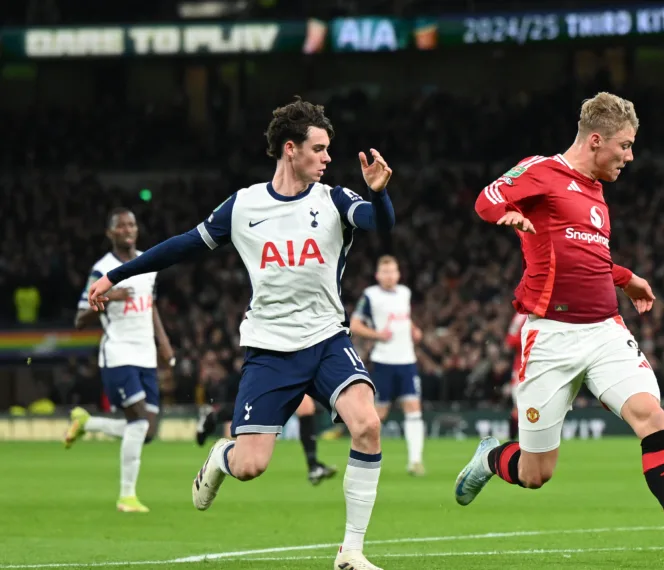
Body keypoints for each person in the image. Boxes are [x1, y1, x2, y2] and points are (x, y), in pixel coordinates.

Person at [86, 98, 396, 570]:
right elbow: (182, 247)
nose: (328, 157)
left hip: (327, 341)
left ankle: (350, 552)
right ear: (290, 149)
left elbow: (382, 227)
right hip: (270, 351)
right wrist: (118, 275)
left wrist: (379, 193)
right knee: (251, 466)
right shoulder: (245, 205)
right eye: (319, 148)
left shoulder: (333, 199)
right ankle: (220, 457)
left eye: (329, 149)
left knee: (368, 425)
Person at [454, 92, 664, 568]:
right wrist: (507, 213)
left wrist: (626, 276)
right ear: (596, 140)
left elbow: (587, 256)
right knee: (536, 473)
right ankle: (492, 459)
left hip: (605, 331)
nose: (630, 156)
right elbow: (486, 198)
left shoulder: (596, 191)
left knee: (650, 416)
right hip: (551, 337)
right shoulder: (540, 169)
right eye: (625, 145)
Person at [65, 208, 175, 514]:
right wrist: (109, 297)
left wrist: (164, 344)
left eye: (132, 224)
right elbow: (79, 320)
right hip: (118, 355)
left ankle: (87, 423)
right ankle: (127, 496)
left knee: (148, 431)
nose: (128, 229)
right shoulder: (102, 270)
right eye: (121, 225)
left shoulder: (148, 262)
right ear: (110, 233)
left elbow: (150, 306)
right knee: (138, 422)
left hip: (145, 355)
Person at [350, 255, 426, 476]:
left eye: (393, 271)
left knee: (413, 409)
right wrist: (377, 335)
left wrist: (414, 328)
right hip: (384, 360)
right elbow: (355, 325)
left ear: (398, 274)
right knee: (378, 414)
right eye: (385, 272)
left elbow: (404, 316)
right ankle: (366, 457)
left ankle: (415, 461)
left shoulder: (404, 292)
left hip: (407, 361)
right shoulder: (370, 295)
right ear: (377, 275)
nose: (389, 275)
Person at [196, 394, 338, 486]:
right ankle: (212, 418)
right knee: (255, 409)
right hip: (271, 358)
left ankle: (313, 466)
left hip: (292, 359)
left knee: (305, 407)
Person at [503, 312, 528, 440]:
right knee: (519, 407)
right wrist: (531, 339)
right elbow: (509, 341)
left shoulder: (549, 311)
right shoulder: (520, 316)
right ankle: (511, 442)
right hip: (522, 369)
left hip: (544, 367)